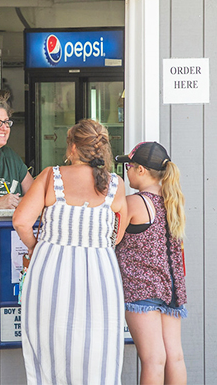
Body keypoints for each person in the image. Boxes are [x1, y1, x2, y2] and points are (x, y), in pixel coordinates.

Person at [13, 119, 127, 385]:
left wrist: (36, 247)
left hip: (52, 268)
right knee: (99, 349)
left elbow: (21, 221)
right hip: (102, 272)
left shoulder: (51, 176)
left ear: (72, 147)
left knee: (51, 346)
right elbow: (116, 234)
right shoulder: (116, 184)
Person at [115, 142, 187, 385]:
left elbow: (112, 238)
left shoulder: (135, 203)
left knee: (154, 359)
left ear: (141, 170)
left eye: (129, 166)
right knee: (174, 357)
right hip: (172, 290)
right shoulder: (172, 201)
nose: (126, 171)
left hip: (141, 290)